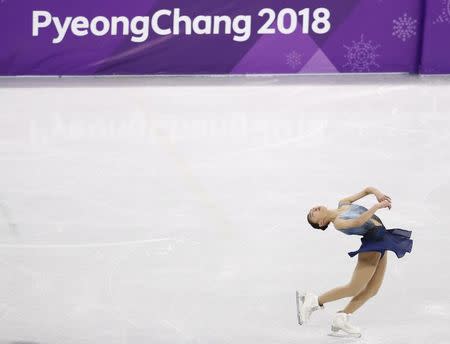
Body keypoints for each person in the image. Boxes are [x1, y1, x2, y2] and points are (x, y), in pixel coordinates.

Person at [296, 186, 413, 337]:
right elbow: (358, 221)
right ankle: (314, 300)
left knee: (373, 289)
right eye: (313, 214)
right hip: (373, 243)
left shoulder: (343, 203)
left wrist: (378, 194)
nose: (313, 210)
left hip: (382, 238)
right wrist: (377, 206)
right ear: (321, 223)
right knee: (353, 288)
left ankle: (342, 317)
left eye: (313, 210)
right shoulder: (338, 223)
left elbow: (367, 190)